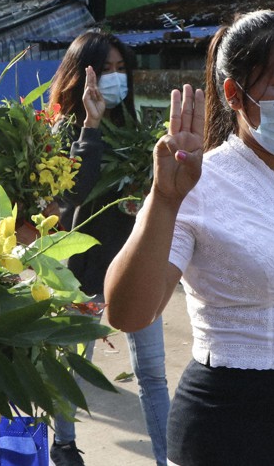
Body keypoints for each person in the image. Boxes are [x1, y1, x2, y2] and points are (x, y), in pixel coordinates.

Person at [104, 10, 274, 466]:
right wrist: (164, 199)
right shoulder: (197, 182)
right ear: (235, 94)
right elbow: (128, 313)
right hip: (223, 425)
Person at [45, 30, 170, 466]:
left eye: (121, 69)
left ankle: (165, 457)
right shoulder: (65, 129)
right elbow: (72, 195)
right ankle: (64, 444)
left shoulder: (137, 127)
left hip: (137, 269)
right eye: (105, 70)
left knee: (152, 372)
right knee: (74, 365)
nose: (115, 78)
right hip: (83, 273)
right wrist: (91, 126)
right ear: (81, 76)